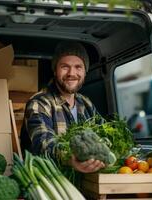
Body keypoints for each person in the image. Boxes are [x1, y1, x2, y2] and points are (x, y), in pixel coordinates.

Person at [20, 41, 105, 173]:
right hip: (48, 179)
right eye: (65, 67)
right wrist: (69, 158)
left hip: (85, 180)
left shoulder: (86, 103)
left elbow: (104, 133)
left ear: (85, 71)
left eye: (78, 67)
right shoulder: (40, 102)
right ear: (55, 70)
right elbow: (43, 143)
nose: (72, 73)